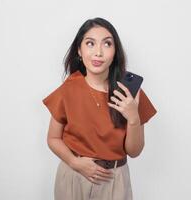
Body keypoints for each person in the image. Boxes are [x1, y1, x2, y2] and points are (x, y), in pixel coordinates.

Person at [42, 17, 157, 200]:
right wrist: (75, 162)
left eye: (107, 44)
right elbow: (53, 138)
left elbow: (134, 151)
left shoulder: (129, 93)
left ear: (115, 52)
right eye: (90, 43)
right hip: (74, 177)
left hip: (115, 180)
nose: (98, 52)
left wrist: (133, 118)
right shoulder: (69, 89)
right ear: (79, 50)